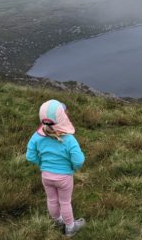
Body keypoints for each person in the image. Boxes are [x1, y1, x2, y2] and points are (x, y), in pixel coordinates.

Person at [26, 99, 86, 237]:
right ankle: (70, 227)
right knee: (65, 202)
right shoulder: (69, 139)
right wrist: (73, 167)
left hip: (46, 176)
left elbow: (30, 156)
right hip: (64, 177)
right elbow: (79, 160)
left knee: (51, 199)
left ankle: (57, 221)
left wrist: (42, 164)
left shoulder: (37, 136)